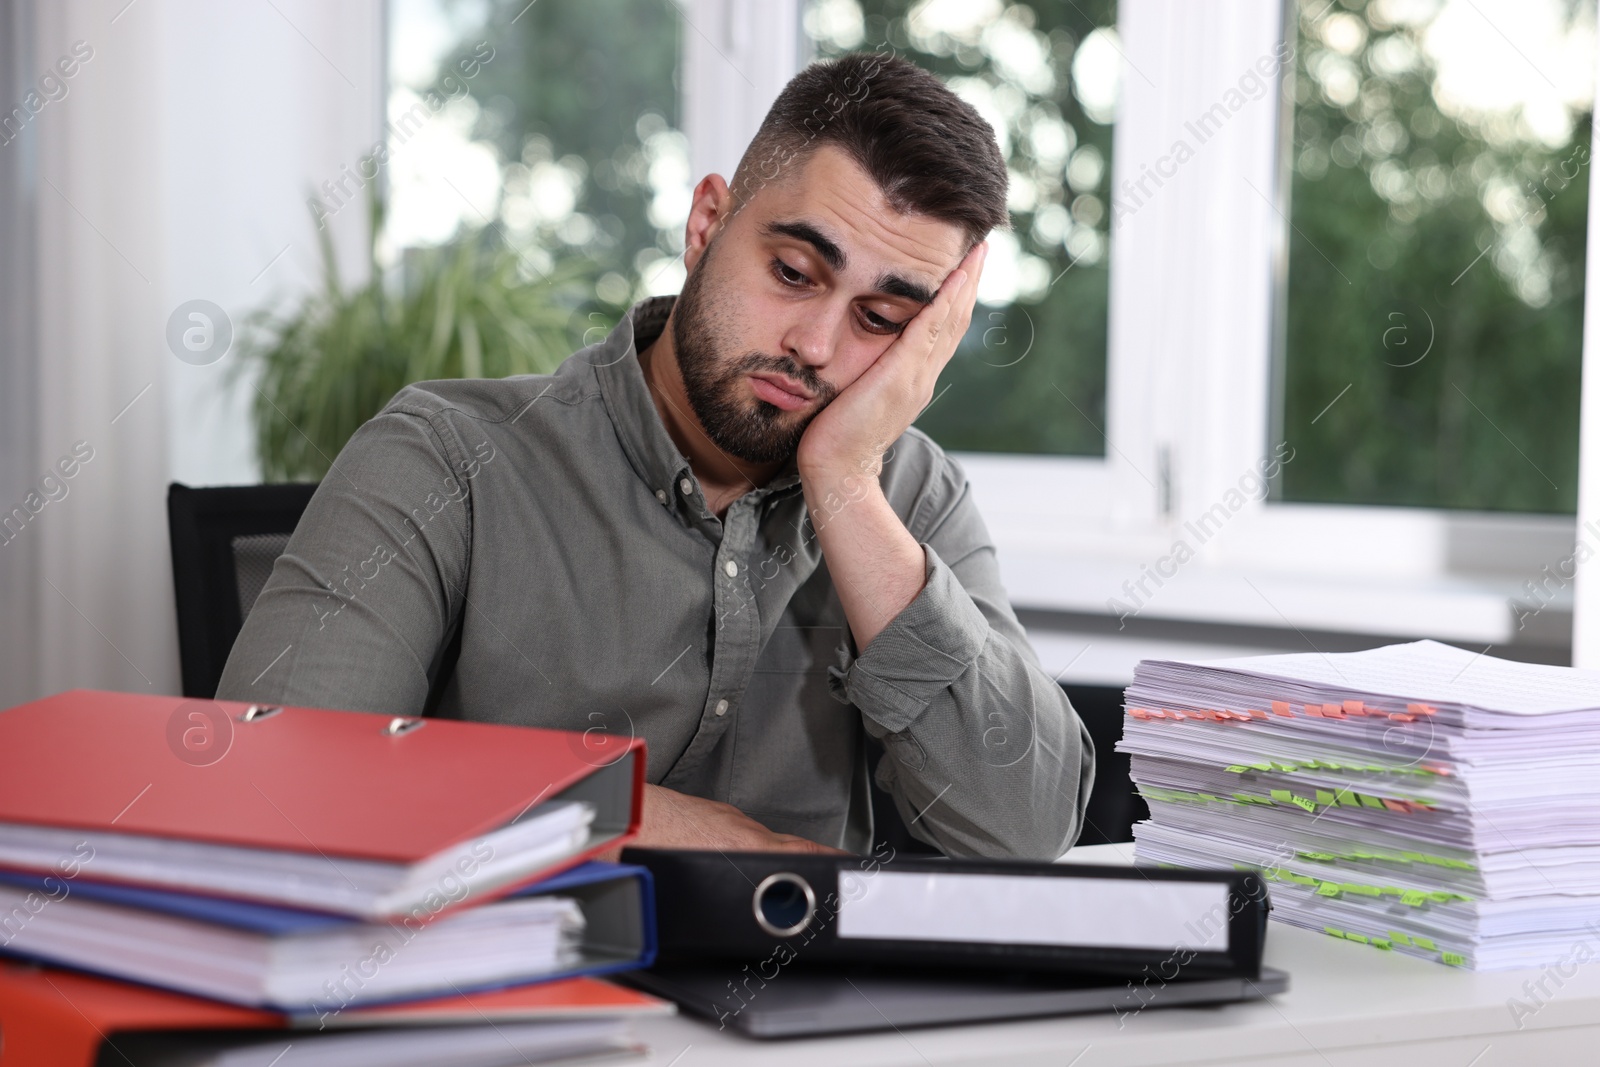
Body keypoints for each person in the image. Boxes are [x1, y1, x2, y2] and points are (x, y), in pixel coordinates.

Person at [218, 52, 1094, 859]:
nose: (817, 345)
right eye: (793, 272)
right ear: (707, 223)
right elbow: (274, 780)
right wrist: (641, 818)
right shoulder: (445, 455)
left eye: (880, 320)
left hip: (809, 1022)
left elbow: (1026, 831)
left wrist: (848, 487)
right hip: (501, 1004)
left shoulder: (909, 495)